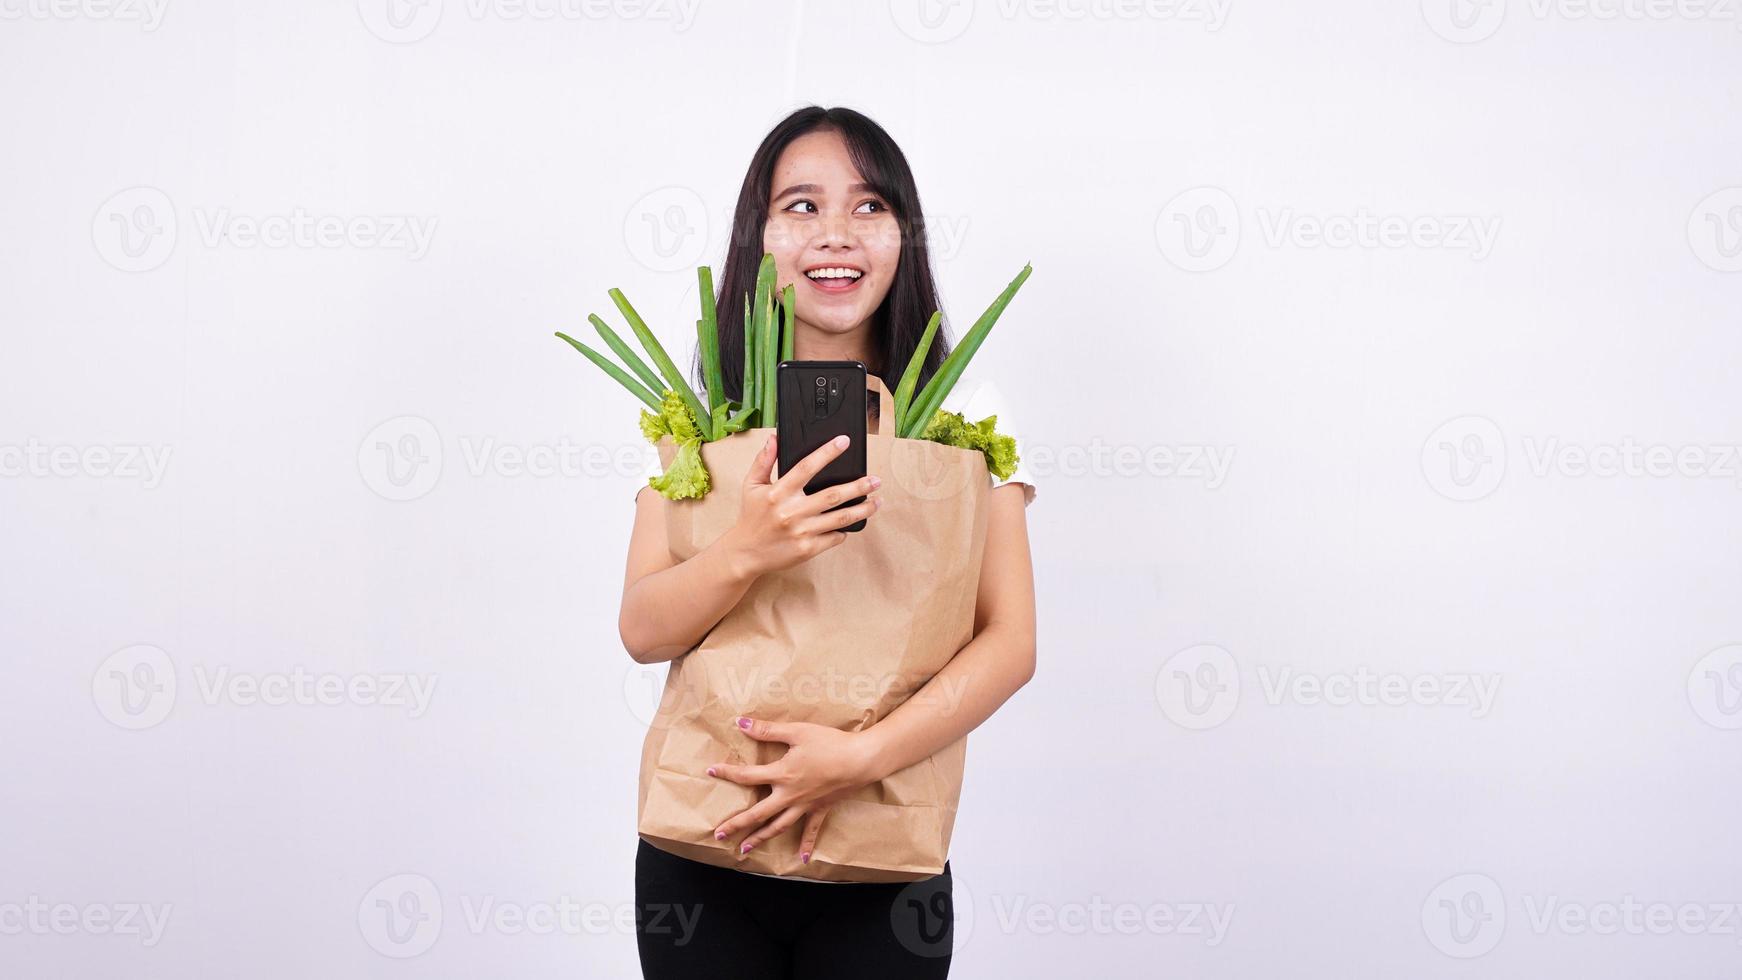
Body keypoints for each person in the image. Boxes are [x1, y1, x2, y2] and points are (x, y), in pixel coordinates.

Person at [621, 105, 1037, 979]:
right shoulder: (707, 419)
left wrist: (856, 759)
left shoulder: (968, 422)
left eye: (870, 206)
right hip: (704, 850)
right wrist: (748, 546)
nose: (836, 234)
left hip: (883, 854)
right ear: (758, 237)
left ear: (904, 235)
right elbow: (643, 630)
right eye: (801, 206)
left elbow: (1011, 643)